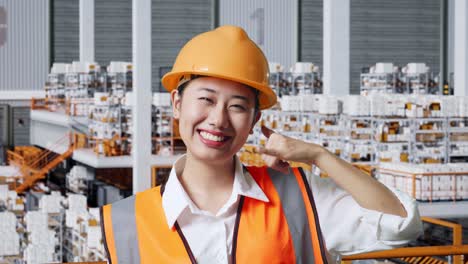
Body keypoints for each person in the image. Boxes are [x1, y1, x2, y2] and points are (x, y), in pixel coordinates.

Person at [100, 25, 422, 264]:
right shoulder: (128, 223)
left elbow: (400, 223)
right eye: (206, 100)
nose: (218, 120)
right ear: (177, 104)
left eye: (237, 106)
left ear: (255, 120)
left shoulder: (296, 198)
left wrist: (319, 156)